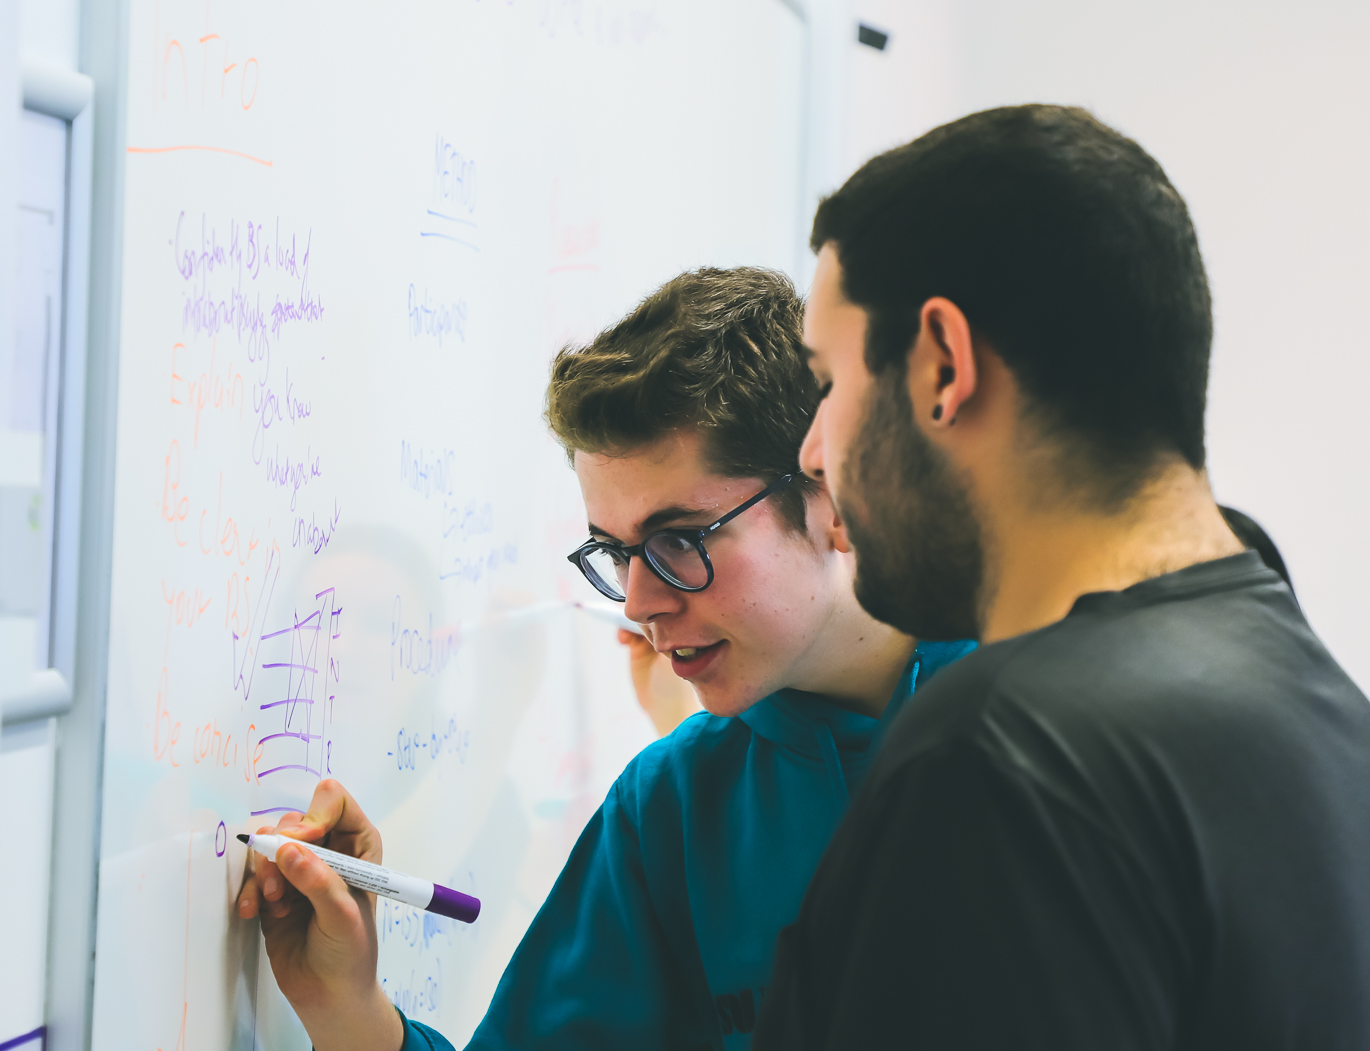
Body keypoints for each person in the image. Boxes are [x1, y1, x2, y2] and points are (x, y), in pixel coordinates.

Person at [757, 105, 1370, 1048]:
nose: (812, 451)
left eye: (830, 382)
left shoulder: (999, 761)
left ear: (942, 365)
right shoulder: (1326, 713)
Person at [235, 266, 973, 1051]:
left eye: (679, 540)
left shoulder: (1036, 728)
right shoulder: (675, 809)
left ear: (831, 491)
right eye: (617, 553)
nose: (639, 603)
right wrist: (344, 1007)